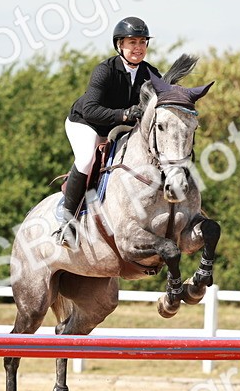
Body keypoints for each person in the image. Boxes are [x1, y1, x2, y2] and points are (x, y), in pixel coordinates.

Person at [55, 16, 161, 245]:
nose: (138, 47)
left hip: (119, 128)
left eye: (142, 42)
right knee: (86, 159)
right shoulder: (105, 70)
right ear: (119, 45)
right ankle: (67, 222)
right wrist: (123, 114)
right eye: (132, 42)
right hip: (86, 123)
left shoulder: (151, 74)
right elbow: (92, 110)